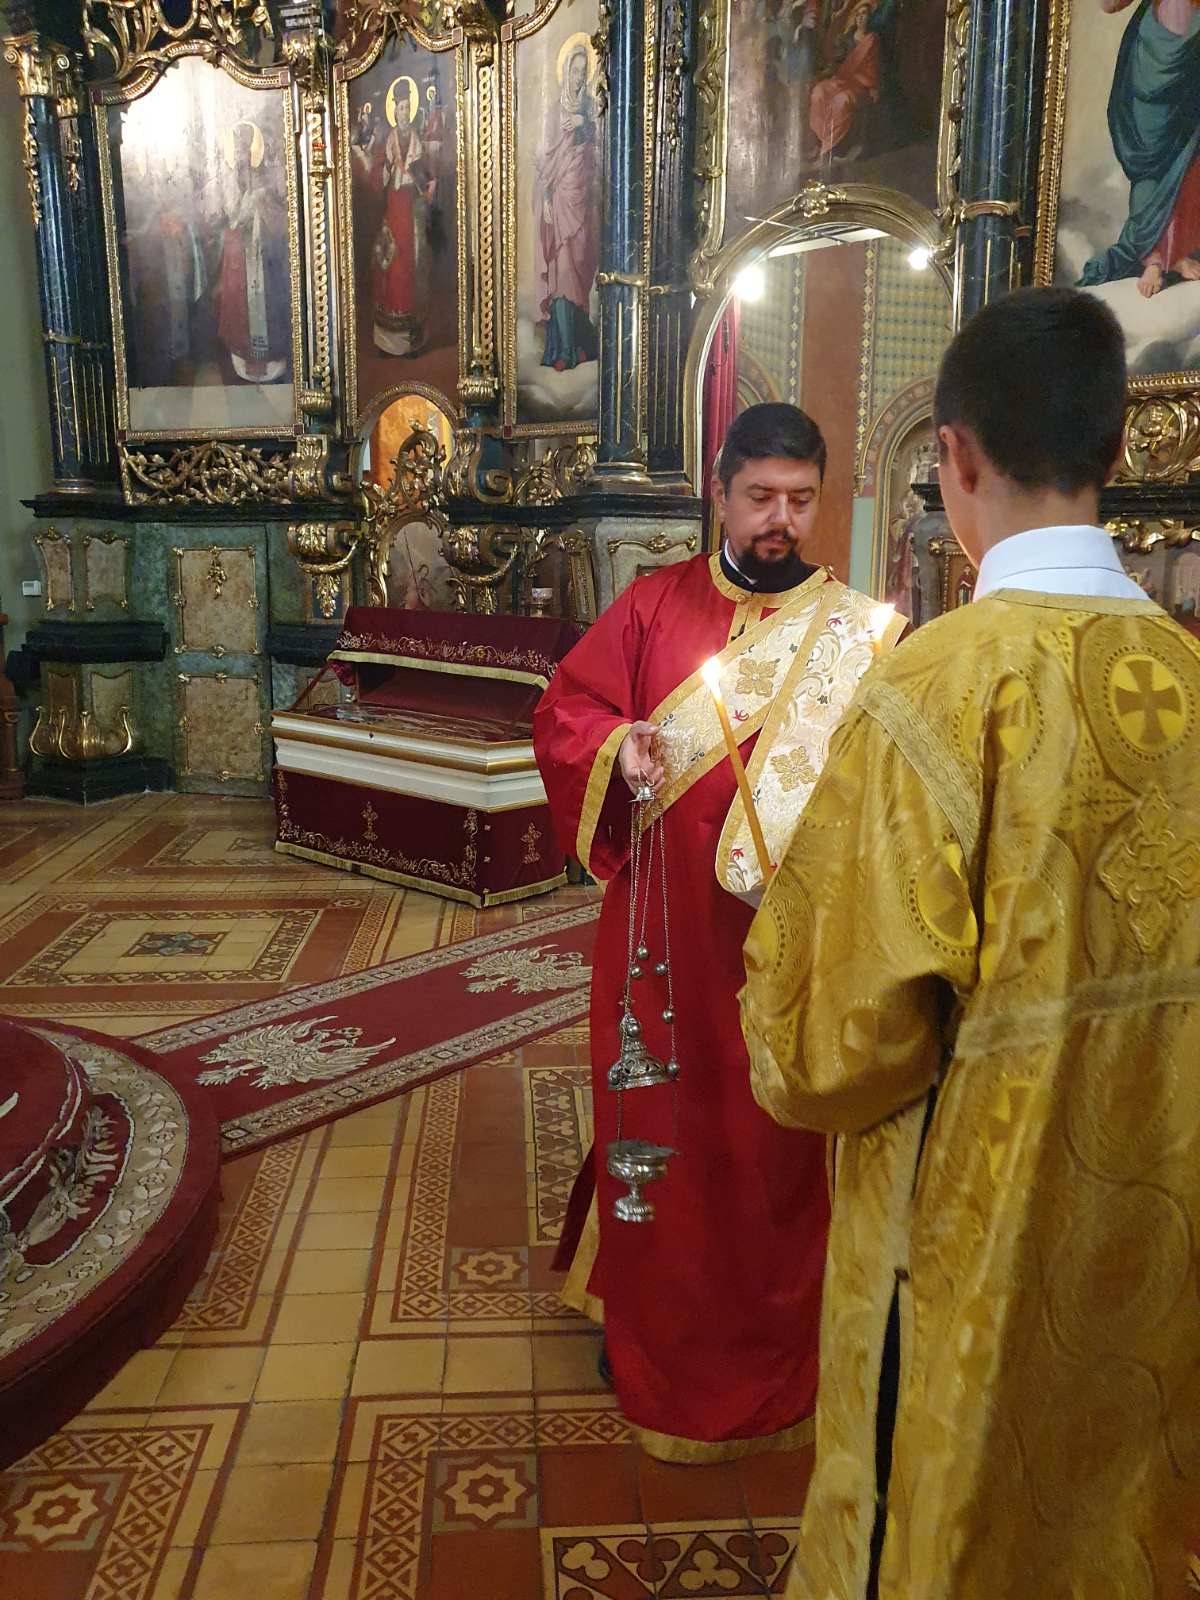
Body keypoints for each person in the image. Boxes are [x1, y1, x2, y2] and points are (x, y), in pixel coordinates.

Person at [741, 287, 1200, 1598]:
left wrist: (776, 989)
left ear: (952, 456)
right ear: (1117, 447)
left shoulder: (934, 691)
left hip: (964, 1253)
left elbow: (842, 1050)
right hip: (1157, 1234)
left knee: (939, 1528)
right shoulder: (1191, 678)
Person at [533, 403, 903, 1462]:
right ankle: (650, 1326)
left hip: (794, 939)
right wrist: (619, 745)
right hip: (663, 935)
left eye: (800, 499)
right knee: (660, 1117)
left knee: (772, 1141)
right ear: (721, 494)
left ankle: (778, 1342)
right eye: (760, 497)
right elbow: (566, 711)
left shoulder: (861, 636)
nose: (781, 519)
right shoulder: (654, 605)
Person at [1080, 0, 1200, 298]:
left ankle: (1178, 252)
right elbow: (1110, 5)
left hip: (1193, 50)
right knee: (1152, 161)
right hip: (1155, 57)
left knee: (1189, 158)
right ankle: (1154, 258)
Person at [533, 44, 600, 373]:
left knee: (578, 269)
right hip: (560, 197)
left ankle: (581, 346)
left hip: (582, 199)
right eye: (574, 71)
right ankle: (562, 350)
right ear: (565, 72)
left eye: (582, 72)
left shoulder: (589, 108)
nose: (577, 78)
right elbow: (544, 158)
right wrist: (546, 199)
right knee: (561, 272)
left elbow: (599, 144)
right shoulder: (552, 112)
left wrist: (583, 122)